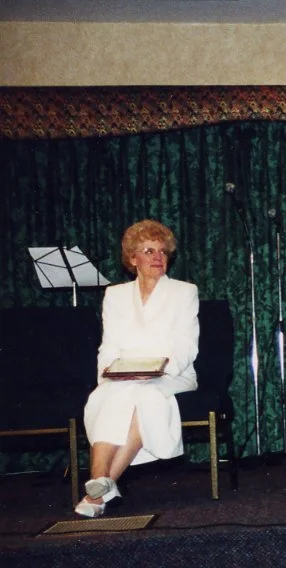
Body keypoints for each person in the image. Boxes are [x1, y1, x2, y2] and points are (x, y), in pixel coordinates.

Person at [76, 219, 200, 517]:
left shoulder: (184, 292)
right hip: (124, 374)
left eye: (162, 252)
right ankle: (102, 485)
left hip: (173, 374)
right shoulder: (115, 295)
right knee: (105, 397)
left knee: (146, 395)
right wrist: (108, 373)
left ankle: (99, 486)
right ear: (133, 258)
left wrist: (159, 370)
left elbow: (186, 345)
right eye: (148, 250)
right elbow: (109, 346)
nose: (157, 257)